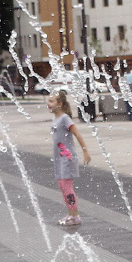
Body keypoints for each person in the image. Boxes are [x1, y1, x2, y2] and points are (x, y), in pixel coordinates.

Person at [47, 90, 92, 226]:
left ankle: (75, 215)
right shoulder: (56, 119)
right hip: (60, 158)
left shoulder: (65, 118)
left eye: (51, 101)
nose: (48, 104)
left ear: (60, 104)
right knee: (62, 186)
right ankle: (71, 213)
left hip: (67, 158)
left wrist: (86, 152)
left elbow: (77, 134)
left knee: (66, 186)